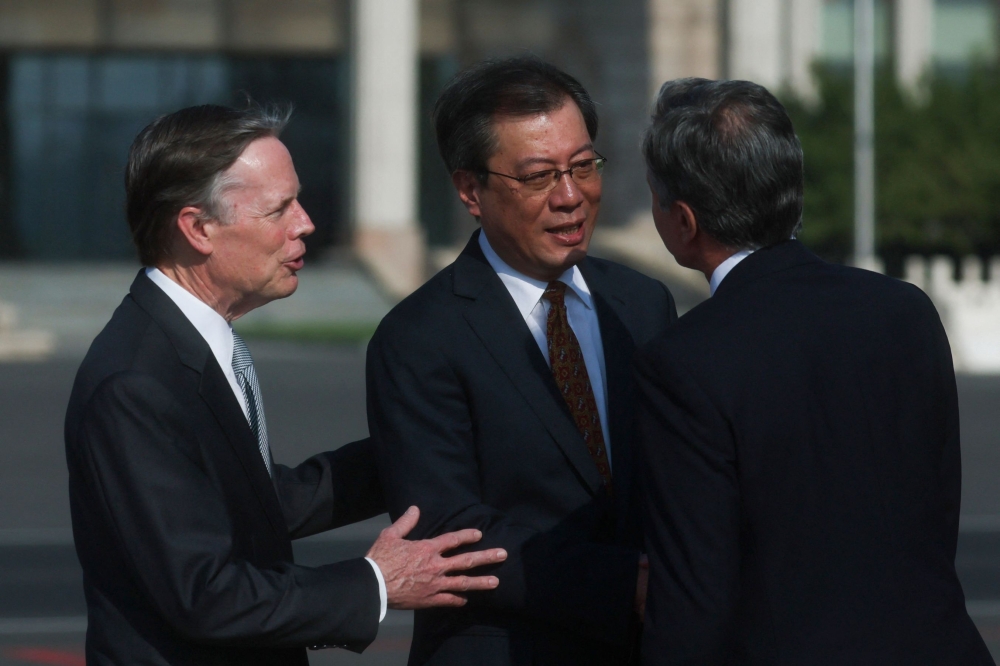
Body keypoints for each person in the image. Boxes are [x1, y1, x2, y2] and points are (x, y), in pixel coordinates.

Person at [64, 104, 507, 666]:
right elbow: (206, 596)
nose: (305, 223)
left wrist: (423, 437)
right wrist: (375, 583)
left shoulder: (188, 345)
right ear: (198, 228)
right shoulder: (135, 383)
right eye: (279, 209)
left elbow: (257, 501)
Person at [634, 78, 993, 664]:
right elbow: (933, 520)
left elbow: (693, 602)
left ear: (683, 219)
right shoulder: (904, 310)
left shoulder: (685, 360)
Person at [366, 57, 677, 666]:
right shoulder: (419, 337)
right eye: (538, 177)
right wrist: (625, 585)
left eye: (584, 166)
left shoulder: (643, 304)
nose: (570, 197)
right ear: (469, 190)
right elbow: (450, 530)